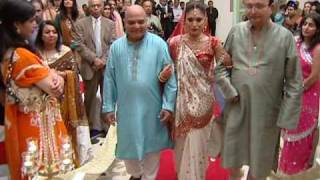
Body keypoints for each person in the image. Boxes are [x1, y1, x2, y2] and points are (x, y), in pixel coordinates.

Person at [216, 0, 303, 179]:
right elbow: (220, 68)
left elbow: (294, 81)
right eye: (249, 6)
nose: (253, 11)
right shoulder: (236, 31)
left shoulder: (285, 37)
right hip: (237, 109)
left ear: (272, 7)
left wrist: (286, 118)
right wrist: (229, 91)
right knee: (232, 161)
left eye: (259, 6)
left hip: (267, 113)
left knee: (259, 165)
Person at [102, 5, 177, 180]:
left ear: (148, 21)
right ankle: (135, 175)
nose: (137, 26)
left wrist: (168, 105)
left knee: (152, 148)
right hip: (127, 110)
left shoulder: (159, 44)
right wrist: (108, 106)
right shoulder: (116, 47)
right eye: (132, 22)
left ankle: (149, 177)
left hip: (153, 108)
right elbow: (109, 79)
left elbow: (171, 78)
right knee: (128, 148)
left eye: (141, 21)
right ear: (124, 23)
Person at [0, 0, 73, 179]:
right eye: (31, 20)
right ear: (17, 24)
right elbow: (54, 89)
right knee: (44, 170)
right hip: (38, 126)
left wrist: (52, 74)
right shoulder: (23, 56)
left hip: (23, 122)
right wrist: (55, 76)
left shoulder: (7, 53)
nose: (36, 24)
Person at [165, 2, 230, 179]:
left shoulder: (214, 43)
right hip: (181, 104)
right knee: (182, 146)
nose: (194, 24)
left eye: (198, 19)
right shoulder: (174, 43)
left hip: (204, 103)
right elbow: (166, 71)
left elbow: (228, 66)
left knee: (198, 147)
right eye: (190, 19)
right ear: (184, 22)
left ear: (206, 21)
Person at [35, 21, 92, 166]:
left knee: (69, 129)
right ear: (40, 35)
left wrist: (61, 74)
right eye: (47, 32)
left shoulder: (65, 51)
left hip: (67, 99)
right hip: (45, 100)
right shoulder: (36, 54)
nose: (51, 35)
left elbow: (74, 73)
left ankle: (74, 159)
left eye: (54, 32)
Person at [279, 13, 320, 176]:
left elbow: (314, 77)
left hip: (308, 95)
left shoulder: (317, 49)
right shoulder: (297, 43)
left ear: (317, 29)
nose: (306, 28)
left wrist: (296, 91)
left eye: (311, 25)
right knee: (289, 131)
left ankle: (298, 171)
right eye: (304, 24)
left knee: (301, 132)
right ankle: (286, 169)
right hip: (294, 92)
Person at [74, 0, 115, 137]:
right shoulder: (80, 24)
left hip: (106, 67)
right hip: (89, 66)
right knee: (90, 99)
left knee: (107, 98)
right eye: (93, 6)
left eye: (98, 6)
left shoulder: (110, 24)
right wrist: (94, 59)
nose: (96, 8)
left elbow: (113, 44)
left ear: (103, 7)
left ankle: (106, 126)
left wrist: (103, 60)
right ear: (88, 7)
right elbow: (78, 44)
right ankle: (91, 128)